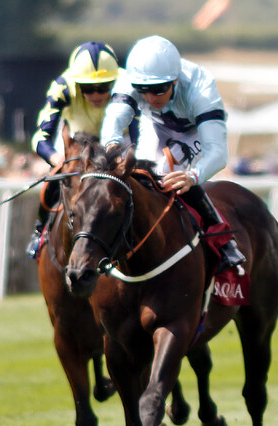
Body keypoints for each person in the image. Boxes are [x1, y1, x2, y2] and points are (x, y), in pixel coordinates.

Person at [100, 35, 244, 273]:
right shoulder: (129, 79)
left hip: (194, 131)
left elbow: (218, 152)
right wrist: (112, 147)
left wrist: (193, 176)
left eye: (158, 90)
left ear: (175, 80)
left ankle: (224, 242)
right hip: (155, 125)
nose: (150, 98)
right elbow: (113, 122)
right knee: (140, 175)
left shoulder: (201, 88)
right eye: (142, 91)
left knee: (171, 177)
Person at [28, 41, 121, 257]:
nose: (96, 95)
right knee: (51, 184)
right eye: (88, 88)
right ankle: (39, 230)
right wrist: (54, 157)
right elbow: (41, 137)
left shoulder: (126, 83)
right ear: (76, 83)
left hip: (116, 144)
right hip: (78, 145)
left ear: (114, 81)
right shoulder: (62, 86)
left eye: (104, 87)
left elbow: (138, 131)